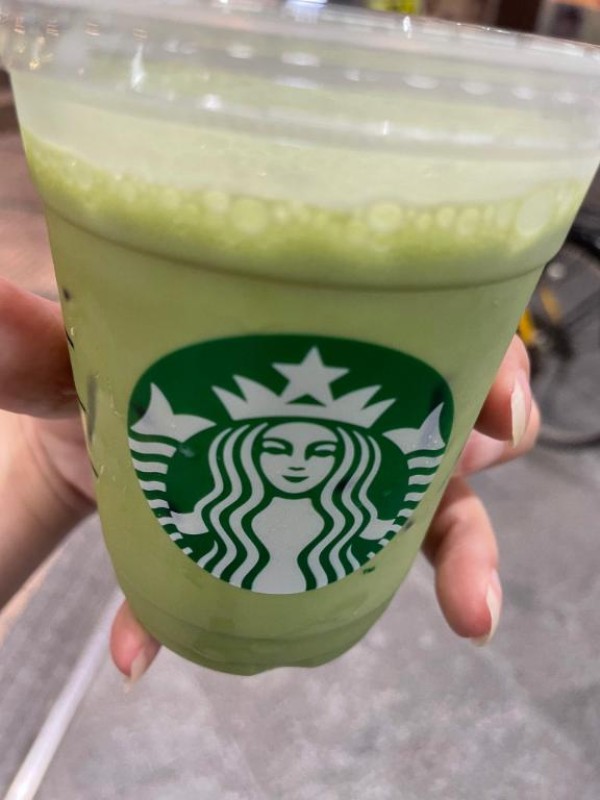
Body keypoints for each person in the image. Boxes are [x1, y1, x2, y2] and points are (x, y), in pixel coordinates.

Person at [0, 276, 539, 683]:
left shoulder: (346, 521)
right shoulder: (214, 515)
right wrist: (52, 468)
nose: (298, 463)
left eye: (321, 450)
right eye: (277, 447)